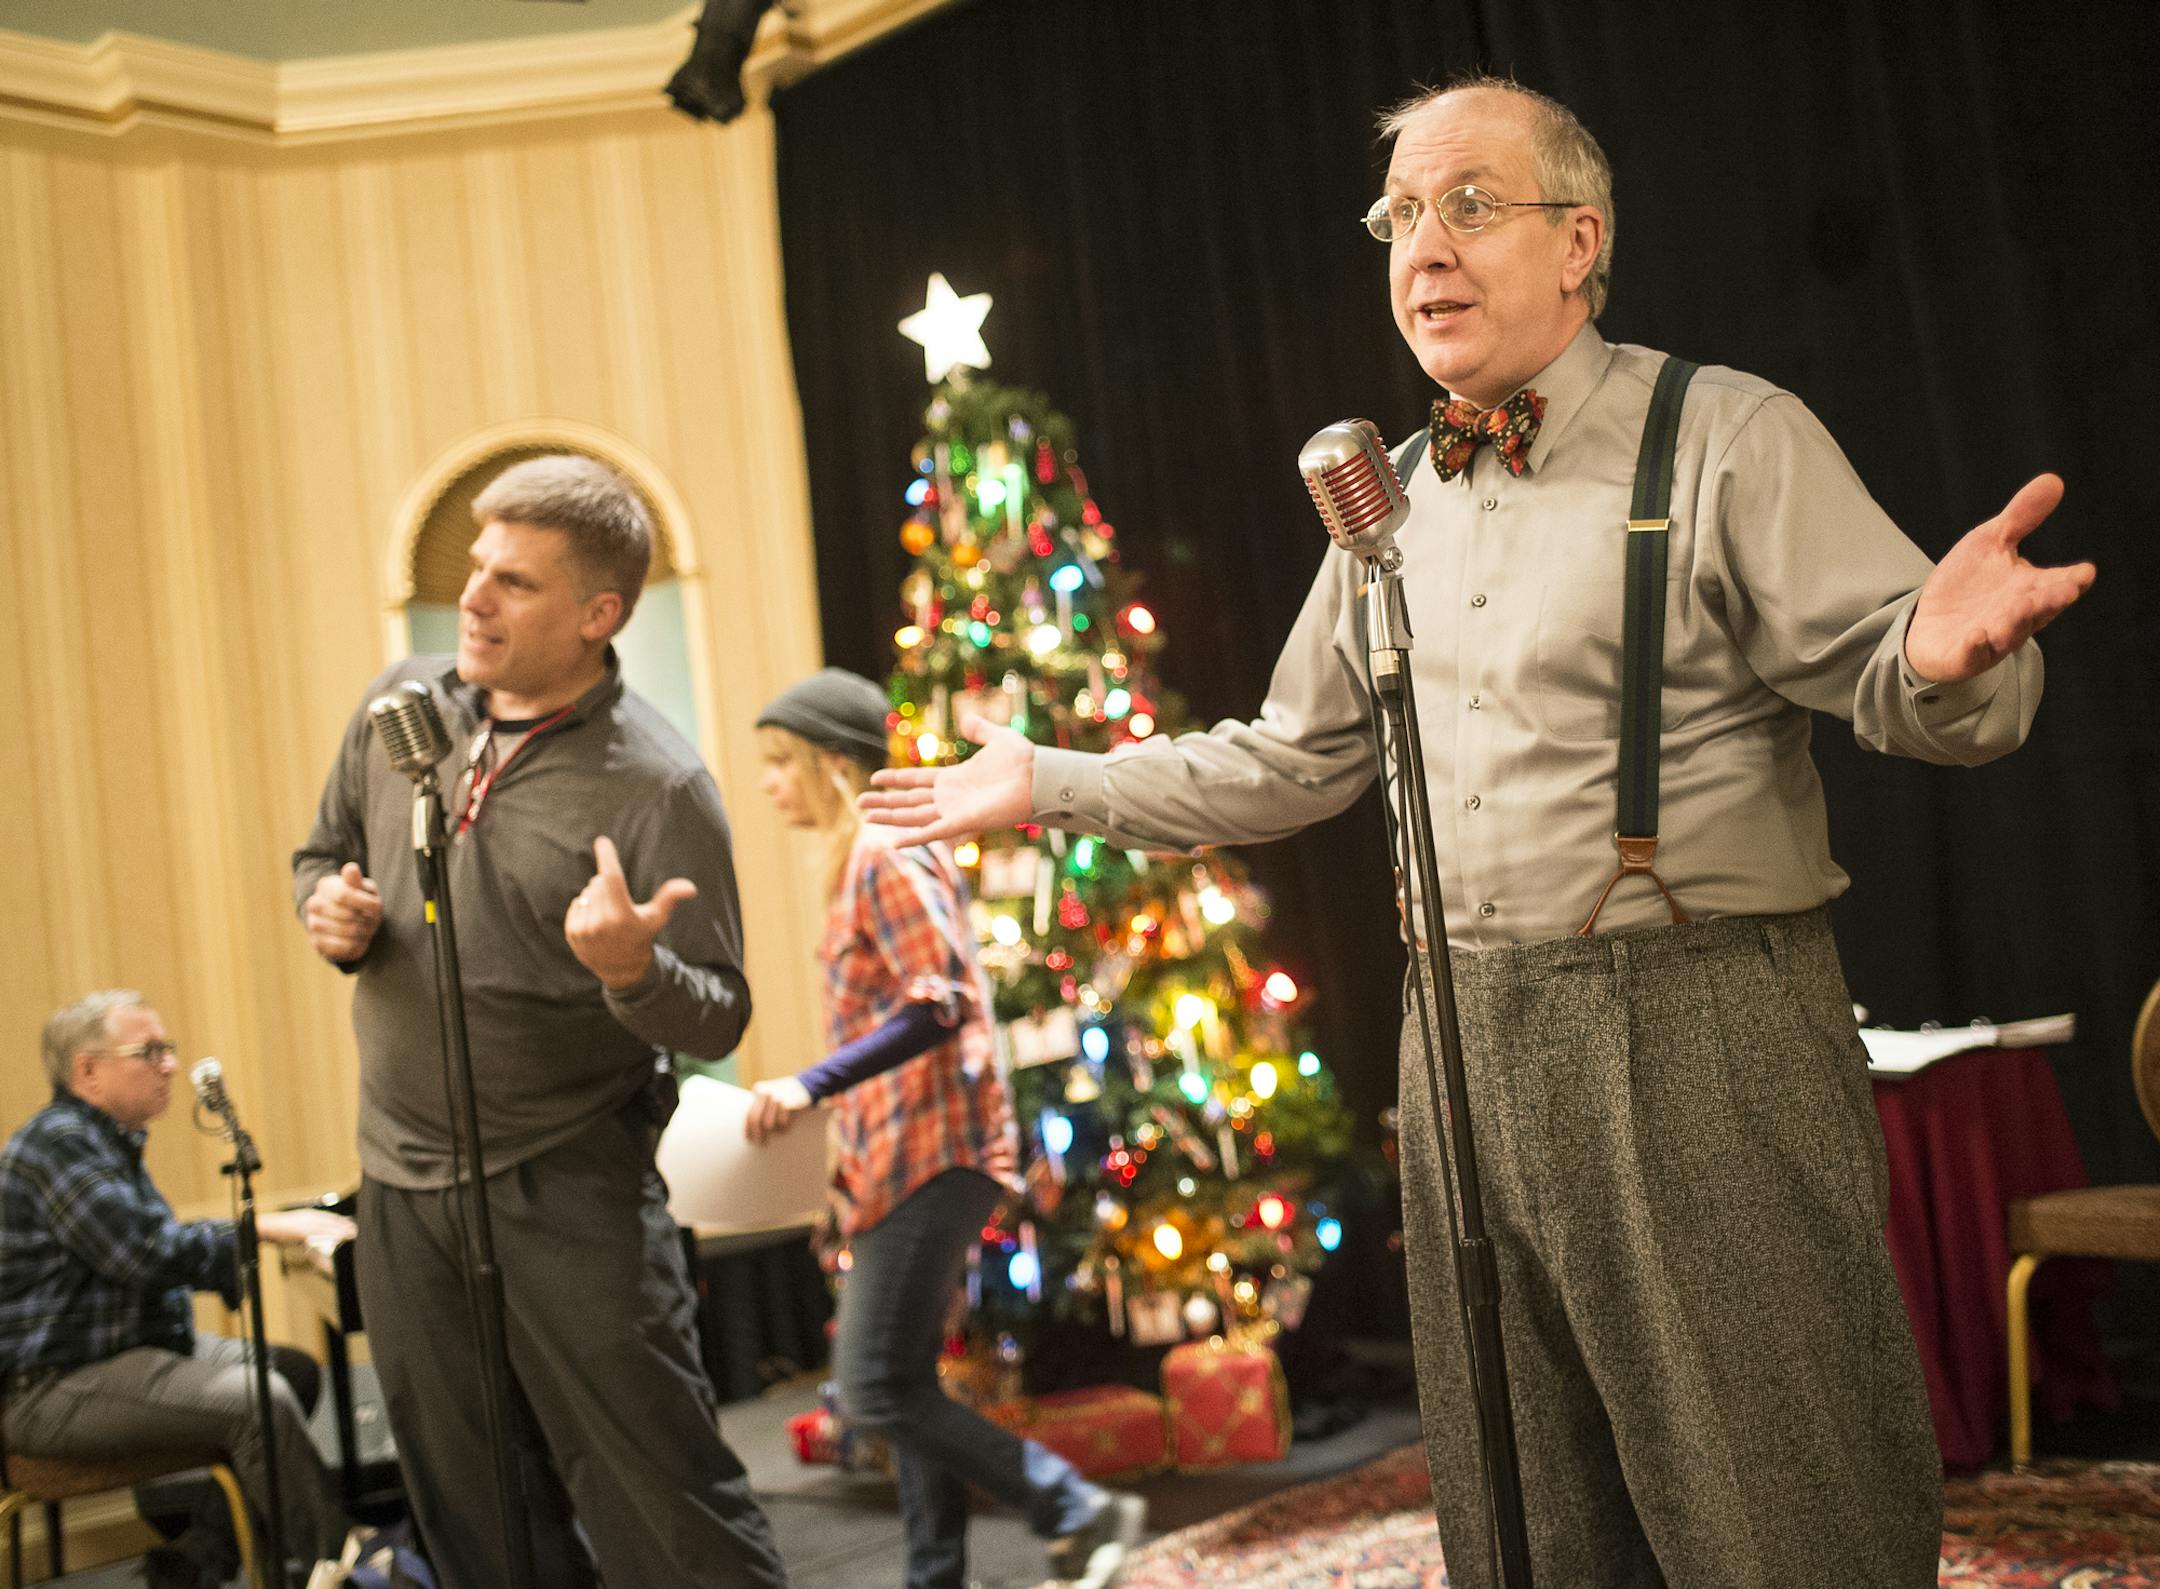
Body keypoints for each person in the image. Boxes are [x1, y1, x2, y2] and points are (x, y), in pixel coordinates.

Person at [860, 78, 2096, 1589]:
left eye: (1470, 205)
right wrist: (1049, 777)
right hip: (1458, 1039)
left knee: (1784, 1488)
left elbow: (1904, 682)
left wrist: (1958, 661)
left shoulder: (1722, 436)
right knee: (1533, 1511)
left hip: (1697, 1024)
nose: (1422, 250)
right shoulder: (1388, 507)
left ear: (1582, 243)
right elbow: (1293, 757)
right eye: (1399, 217)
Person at [292, 454, 787, 1589]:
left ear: (597, 613)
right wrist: (327, 906)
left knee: (666, 1504)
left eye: (512, 580)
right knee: (471, 1511)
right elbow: (320, 851)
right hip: (401, 1181)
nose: (472, 596)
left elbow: (717, 1007)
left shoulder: (656, 785)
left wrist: (632, 966)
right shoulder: (400, 709)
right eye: (476, 567)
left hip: (567, 1185)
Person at [742, 669, 1146, 1589]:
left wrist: (807, 1086)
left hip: (938, 1155)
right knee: (905, 1382)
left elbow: (941, 1001)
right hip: (897, 1162)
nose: (768, 784)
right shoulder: (860, 856)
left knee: (875, 1385)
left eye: (780, 763)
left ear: (833, 765)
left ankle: (1076, 1506)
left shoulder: (884, 847)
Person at [0, 989, 356, 1587]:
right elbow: (144, 1252)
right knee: (256, 1402)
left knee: (291, 1371)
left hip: (116, 1358)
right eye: (150, 1052)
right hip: (54, 1389)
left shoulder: (101, 1139)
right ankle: (342, 1566)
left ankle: (198, 1559)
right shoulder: (57, 1145)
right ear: (87, 1070)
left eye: (168, 1050)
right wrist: (260, 1227)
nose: (169, 1065)